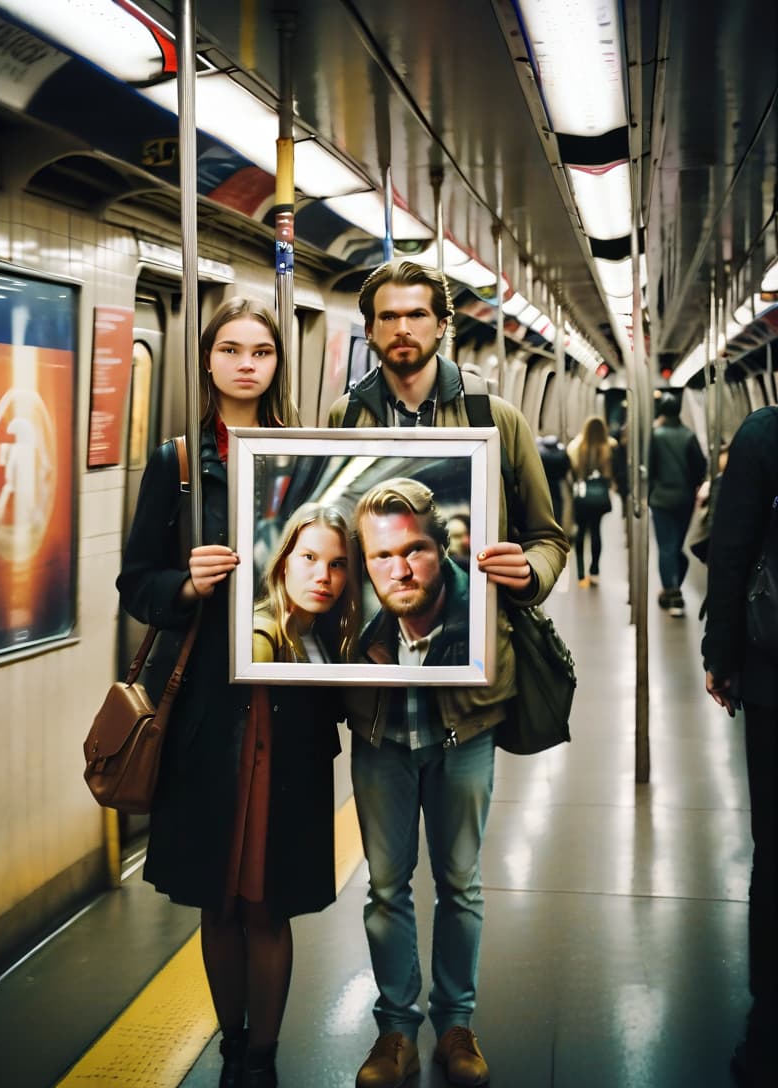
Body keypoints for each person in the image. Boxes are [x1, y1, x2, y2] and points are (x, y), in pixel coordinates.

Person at [327, 259, 569, 1088]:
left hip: (469, 703)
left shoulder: (495, 419)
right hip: (377, 709)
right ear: (371, 330)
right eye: (387, 317)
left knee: (460, 881)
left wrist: (525, 572)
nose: (402, 330)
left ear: (441, 326)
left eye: (417, 316)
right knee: (386, 885)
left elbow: (549, 534)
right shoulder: (339, 422)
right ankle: (393, 1031)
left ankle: (455, 1025)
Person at [117, 298, 342, 1088]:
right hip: (207, 713)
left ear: (280, 365)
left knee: (267, 900)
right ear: (207, 361)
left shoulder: (311, 459)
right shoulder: (176, 466)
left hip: (292, 711)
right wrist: (185, 585)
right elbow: (135, 583)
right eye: (231, 349)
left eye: (263, 351)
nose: (247, 363)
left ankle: (265, 1059)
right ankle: (231, 1045)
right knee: (218, 897)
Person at [701, 406, 778, 1088]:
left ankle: (771, 1008)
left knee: (776, 848)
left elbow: (731, 552)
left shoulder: (764, 435)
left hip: (775, 671)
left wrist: (720, 655)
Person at [355, 478, 469, 672]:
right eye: (383, 556)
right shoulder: (364, 647)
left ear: (442, 550)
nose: (400, 573)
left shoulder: (489, 627)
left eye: (414, 550)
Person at [252, 502, 359, 664]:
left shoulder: (322, 634)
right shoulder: (261, 636)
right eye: (309, 557)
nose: (324, 576)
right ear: (283, 563)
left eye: (336, 564)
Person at [647, 392, 706, 617]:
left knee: (666, 547)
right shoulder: (689, 436)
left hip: (661, 500)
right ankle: (675, 588)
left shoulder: (656, 435)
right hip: (684, 500)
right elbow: (699, 469)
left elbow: (651, 468)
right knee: (676, 546)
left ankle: (672, 593)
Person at [566, 416, 616, 587]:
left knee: (581, 532)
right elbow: (612, 474)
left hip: (582, 495)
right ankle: (594, 571)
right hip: (600, 496)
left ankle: (580, 573)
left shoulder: (577, 446)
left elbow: (571, 470)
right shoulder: (609, 447)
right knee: (596, 531)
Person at [535, 433, 571, 526]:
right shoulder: (562, 453)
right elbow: (565, 469)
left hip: (541, 486)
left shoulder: (538, 451)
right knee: (557, 510)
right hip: (556, 486)